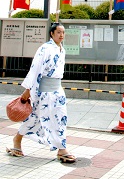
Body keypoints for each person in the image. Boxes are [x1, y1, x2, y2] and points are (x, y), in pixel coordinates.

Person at [6, 23, 76, 163]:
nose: (61, 35)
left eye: (63, 32)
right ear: (52, 33)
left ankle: (62, 149)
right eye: (58, 32)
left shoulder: (62, 49)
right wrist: (28, 89)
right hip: (43, 92)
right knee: (34, 118)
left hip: (57, 91)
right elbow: (35, 69)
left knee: (60, 117)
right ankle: (17, 139)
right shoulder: (45, 48)